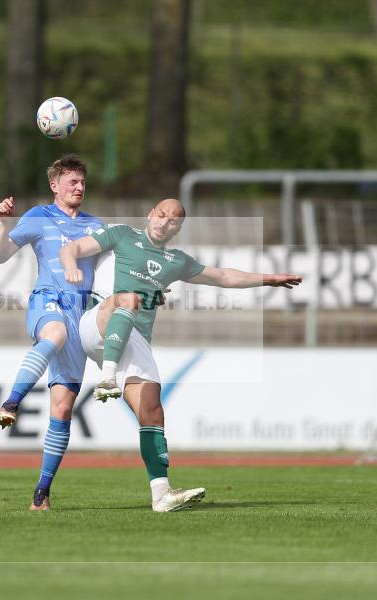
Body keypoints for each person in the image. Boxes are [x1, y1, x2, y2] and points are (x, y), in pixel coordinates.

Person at [60, 198, 302, 512]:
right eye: (161, 215)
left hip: (134, 340)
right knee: (129, 300)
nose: (164, 222)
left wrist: (268, 279)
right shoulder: (121, 234)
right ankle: (106, 378)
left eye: (173, 221)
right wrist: (69, 266)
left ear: (178, 228)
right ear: (150, 214)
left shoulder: (176, 260)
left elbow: (223, 277)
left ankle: (161, 494)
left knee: (152, 411)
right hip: (98, 323)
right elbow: (73, 249)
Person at [0, 154, 102, 510]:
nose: (80, 187)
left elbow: (118, 263)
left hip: (81, 313)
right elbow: (0, 256)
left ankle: (42, 491)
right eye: (72, 182)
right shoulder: (39, 216)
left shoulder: (95, 225)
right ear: (55, 186)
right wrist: (3, 225)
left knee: (63, 409)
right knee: (54, 335)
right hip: (48, 300)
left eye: (82, 182)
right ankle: (12, 401)